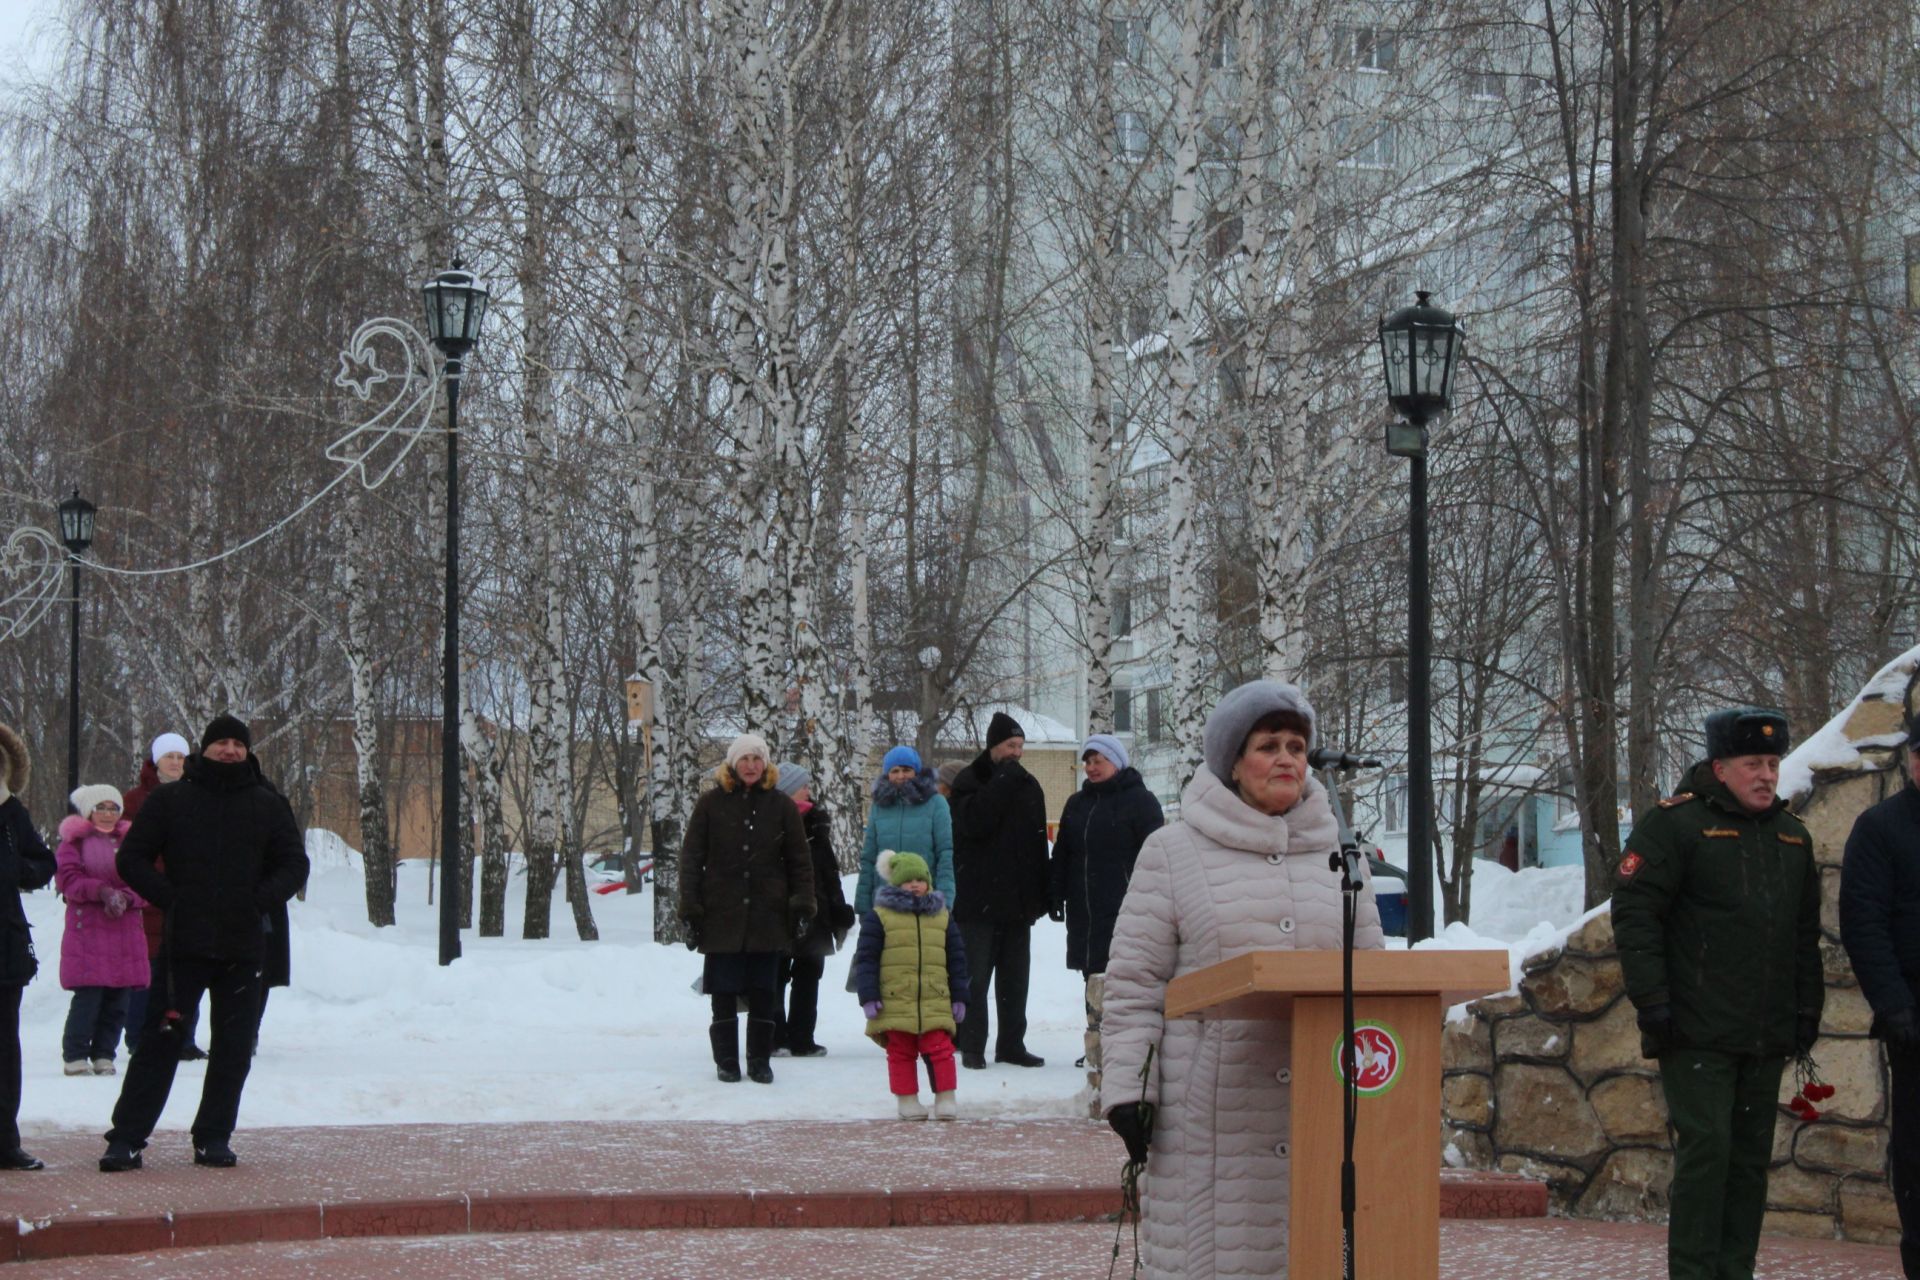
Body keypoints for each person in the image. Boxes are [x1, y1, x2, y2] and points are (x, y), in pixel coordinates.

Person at [1099, 680, 1383, 1278]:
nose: (1287, 758)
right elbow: (1133, 985)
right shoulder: (1173, 851)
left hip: (1319, 1106)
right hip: (1209, 1116)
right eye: (1269, 745)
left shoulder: (1341, 856)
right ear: (1233, 761)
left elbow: (1375, 984)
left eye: (1297, 746)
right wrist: (1130, 1091)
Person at [1612, 707, 1822, 1280]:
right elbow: (1635, 914)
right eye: (1753, 763)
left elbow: (1804, 937)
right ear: (1720, 767)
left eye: (1773, 763)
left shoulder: (1792, 837)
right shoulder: (1675, 826)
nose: (1766, 775)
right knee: (1708, 1155)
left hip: (1765, 1031)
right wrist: (1652, 1002)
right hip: (1695, 1030)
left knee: (1750, 1165)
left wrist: (1807, 1010)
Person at [99, 714, 310, 1172]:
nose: (230, 750)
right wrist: (170, 899)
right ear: (205, 748)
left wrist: (258, 901)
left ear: (247, 751)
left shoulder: (268, 803)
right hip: (185, 947)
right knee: (160, 1043)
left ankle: (213, 1136)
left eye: (238, 743)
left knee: (233, 1048)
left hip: (243, 946)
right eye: (221, 743)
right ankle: (127, 1138)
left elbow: (294, 864)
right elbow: (132, 858)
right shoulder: (172, 800)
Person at [678, 734, 814, 1085]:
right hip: (720, 913)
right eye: (744, 759)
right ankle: (726, 1061)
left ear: (766, 764)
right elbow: (692, 859)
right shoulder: (710, 804)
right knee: (722, 992)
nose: (751, 765)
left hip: (768, 915)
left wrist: (801, 904)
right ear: (733, 764)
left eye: (757, 759)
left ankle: (759, 1060)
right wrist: (691, 908)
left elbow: (800, 862)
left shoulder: (782, 805)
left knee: (764, 992)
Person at [1839, 719, 1920, 1279]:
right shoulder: (1881, 828)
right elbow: (1864, 925)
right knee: (1918, 1157)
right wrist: (1895, 1006)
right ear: (1912, 761)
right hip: (1915, 1022)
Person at [1050, 733, 1162, 1096]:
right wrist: (1055, 892)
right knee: (1092, 974)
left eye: (1099, 760)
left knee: (1123, 975)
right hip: (1085, 907)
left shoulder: (1140, 801)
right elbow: (1064, 852)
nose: (1092, 767)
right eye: (1087, 760)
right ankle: (1096, 1042)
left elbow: (1157, 856)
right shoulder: (1077, 803)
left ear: (1117, 761)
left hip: (1127, 906)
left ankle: (1125, 1047)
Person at [948, 712, 1052, 1070]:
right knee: (975, 980)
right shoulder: (969, 781)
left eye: (1021, 746)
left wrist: (1043, 894)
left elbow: (1039, 843)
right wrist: (1003, 782)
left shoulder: (1028, 784)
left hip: (1017, 903)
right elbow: (974, 823)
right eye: (1011, 745)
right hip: (977, 902)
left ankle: (1011, 1045)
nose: (1016, 753)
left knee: (1014, 980)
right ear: (994, 746)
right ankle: (973, 1046)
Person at [852, 850, 969, 1120]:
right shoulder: (880, 917)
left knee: (941, 1049)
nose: (915, 884)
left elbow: (957, 958)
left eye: (920, 879)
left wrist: (960, 996)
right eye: (907, 880)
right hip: (895, 999)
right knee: (900, 1052)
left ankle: (946, 1098)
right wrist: (868, 996)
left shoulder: (941, 916)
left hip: (934, 998)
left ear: (928, 882)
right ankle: (907, 1101)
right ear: (896, 884)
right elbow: (866, 959)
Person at [121, 734, 205, 1061]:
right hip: (149, 898)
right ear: (156, 761)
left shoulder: (199, 796)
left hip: (188, 899)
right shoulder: (135, 800)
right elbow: (131, 849)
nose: (174, 761)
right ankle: (139, 1037)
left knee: (187, 972)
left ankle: (183, 1038)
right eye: (168, 755)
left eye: (180, 756)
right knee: (148, 972)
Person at [55, 785, 148, 1076]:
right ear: (89, 811)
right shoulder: (74, 842)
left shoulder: (131, 841)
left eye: (113, 808)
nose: (108, 814)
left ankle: (105, 1053)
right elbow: (68, 880)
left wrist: (129, 897)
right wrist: (102, 892)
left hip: (125, 930)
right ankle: (76, 1053)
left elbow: (147, 879)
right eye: (101, 808)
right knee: (89, 996)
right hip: (89, 931)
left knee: (118, 997)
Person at [0, 723, 56, 1171]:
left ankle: (4, 1141)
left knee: (4, 1048)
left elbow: (43, 864)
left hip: (5, 948)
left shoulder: (11, 812)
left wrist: (11, 866)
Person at [772, 763, 854, 1057]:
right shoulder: (771, 823)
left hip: (816, 910)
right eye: (802, 785)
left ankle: (802, 1038)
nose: (808, 790)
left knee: (809, 976)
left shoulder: (817, 824)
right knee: (775, 975)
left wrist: (838, 908)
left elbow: (829, 871)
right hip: (779, 912)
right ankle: (775, 1037)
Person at [855, 746, 955, 913]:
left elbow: (945, 854)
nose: (901, 776)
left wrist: (946, 899)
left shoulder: (936, 803)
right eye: (895, 771)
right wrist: (863, 904)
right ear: (887, 774)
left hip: (924, 900)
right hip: (885, 903)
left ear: (916, 771)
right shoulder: (879, 807)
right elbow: (869, 858)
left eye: (906, 770)